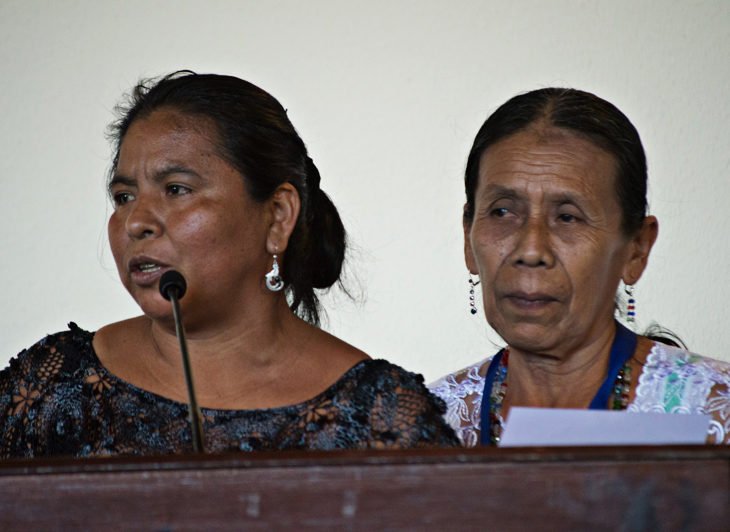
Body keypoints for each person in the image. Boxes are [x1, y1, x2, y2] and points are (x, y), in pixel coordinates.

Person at [0, 71, 458, 458]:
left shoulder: (378, 419)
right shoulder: (51, 386)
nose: (135, 221)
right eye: (123, 196)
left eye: (176, 189)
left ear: (277, 216)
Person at [429, 88, 730, 446]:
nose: (530, 250)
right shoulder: (428, 427)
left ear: (636, 248)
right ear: (468, 237)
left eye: (568, 217)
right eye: (502, 212)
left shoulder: (716, 416)